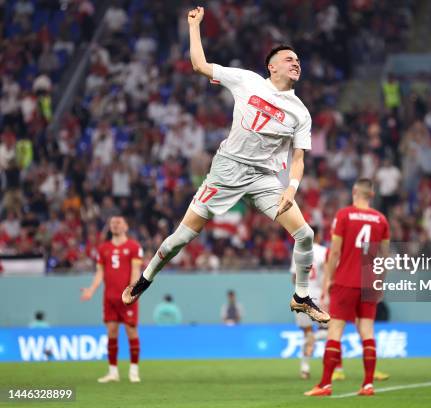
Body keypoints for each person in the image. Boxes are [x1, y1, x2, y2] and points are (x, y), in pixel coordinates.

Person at [122, 6, 328, 324]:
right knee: (181, 238)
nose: (296, 63)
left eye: (298, 60)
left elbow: (298, 158)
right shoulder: (246, 81)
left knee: (305, 234)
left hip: (264, 178)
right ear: (272, 67)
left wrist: (292, 187)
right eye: (289, 59)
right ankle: (146, 277)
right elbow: (199, 65)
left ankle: (301, 297)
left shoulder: (301, 112)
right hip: (227, 170)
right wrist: (194, 26)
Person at [305, 178, 390, 397]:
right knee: (367, 332)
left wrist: (327, 283)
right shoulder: (381, 220)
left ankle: (325, 384)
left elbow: (334, 252)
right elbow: (384, 257)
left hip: (345, 281)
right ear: (371, 195)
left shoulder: (344, 215)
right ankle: (368, 384)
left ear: (354, 191)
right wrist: (379, 283)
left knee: (335, 331)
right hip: (369, 283)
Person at [81, 216, 143, 383]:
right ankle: (113, 372)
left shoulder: (134, 247)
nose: (115, 225)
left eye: (119, 222)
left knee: (131, 331)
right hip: (109, 298)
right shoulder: (103, 249)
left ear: (126, 226)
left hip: (126, 298)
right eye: (112, 223)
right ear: (109, 227)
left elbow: (135, 270)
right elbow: (100, 273)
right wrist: (91, 290)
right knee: (111, 333)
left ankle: (134, 371)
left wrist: (132, 291)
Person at [289, 226, 327, 379]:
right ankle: (334, 367)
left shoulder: (298, 251)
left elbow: (294, 278)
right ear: (317, 236)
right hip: (319, 295)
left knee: (307, 332)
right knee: (329, 330)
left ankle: (305, 368)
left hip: (301, 296)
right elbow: (328, 273)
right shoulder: (323, 252)